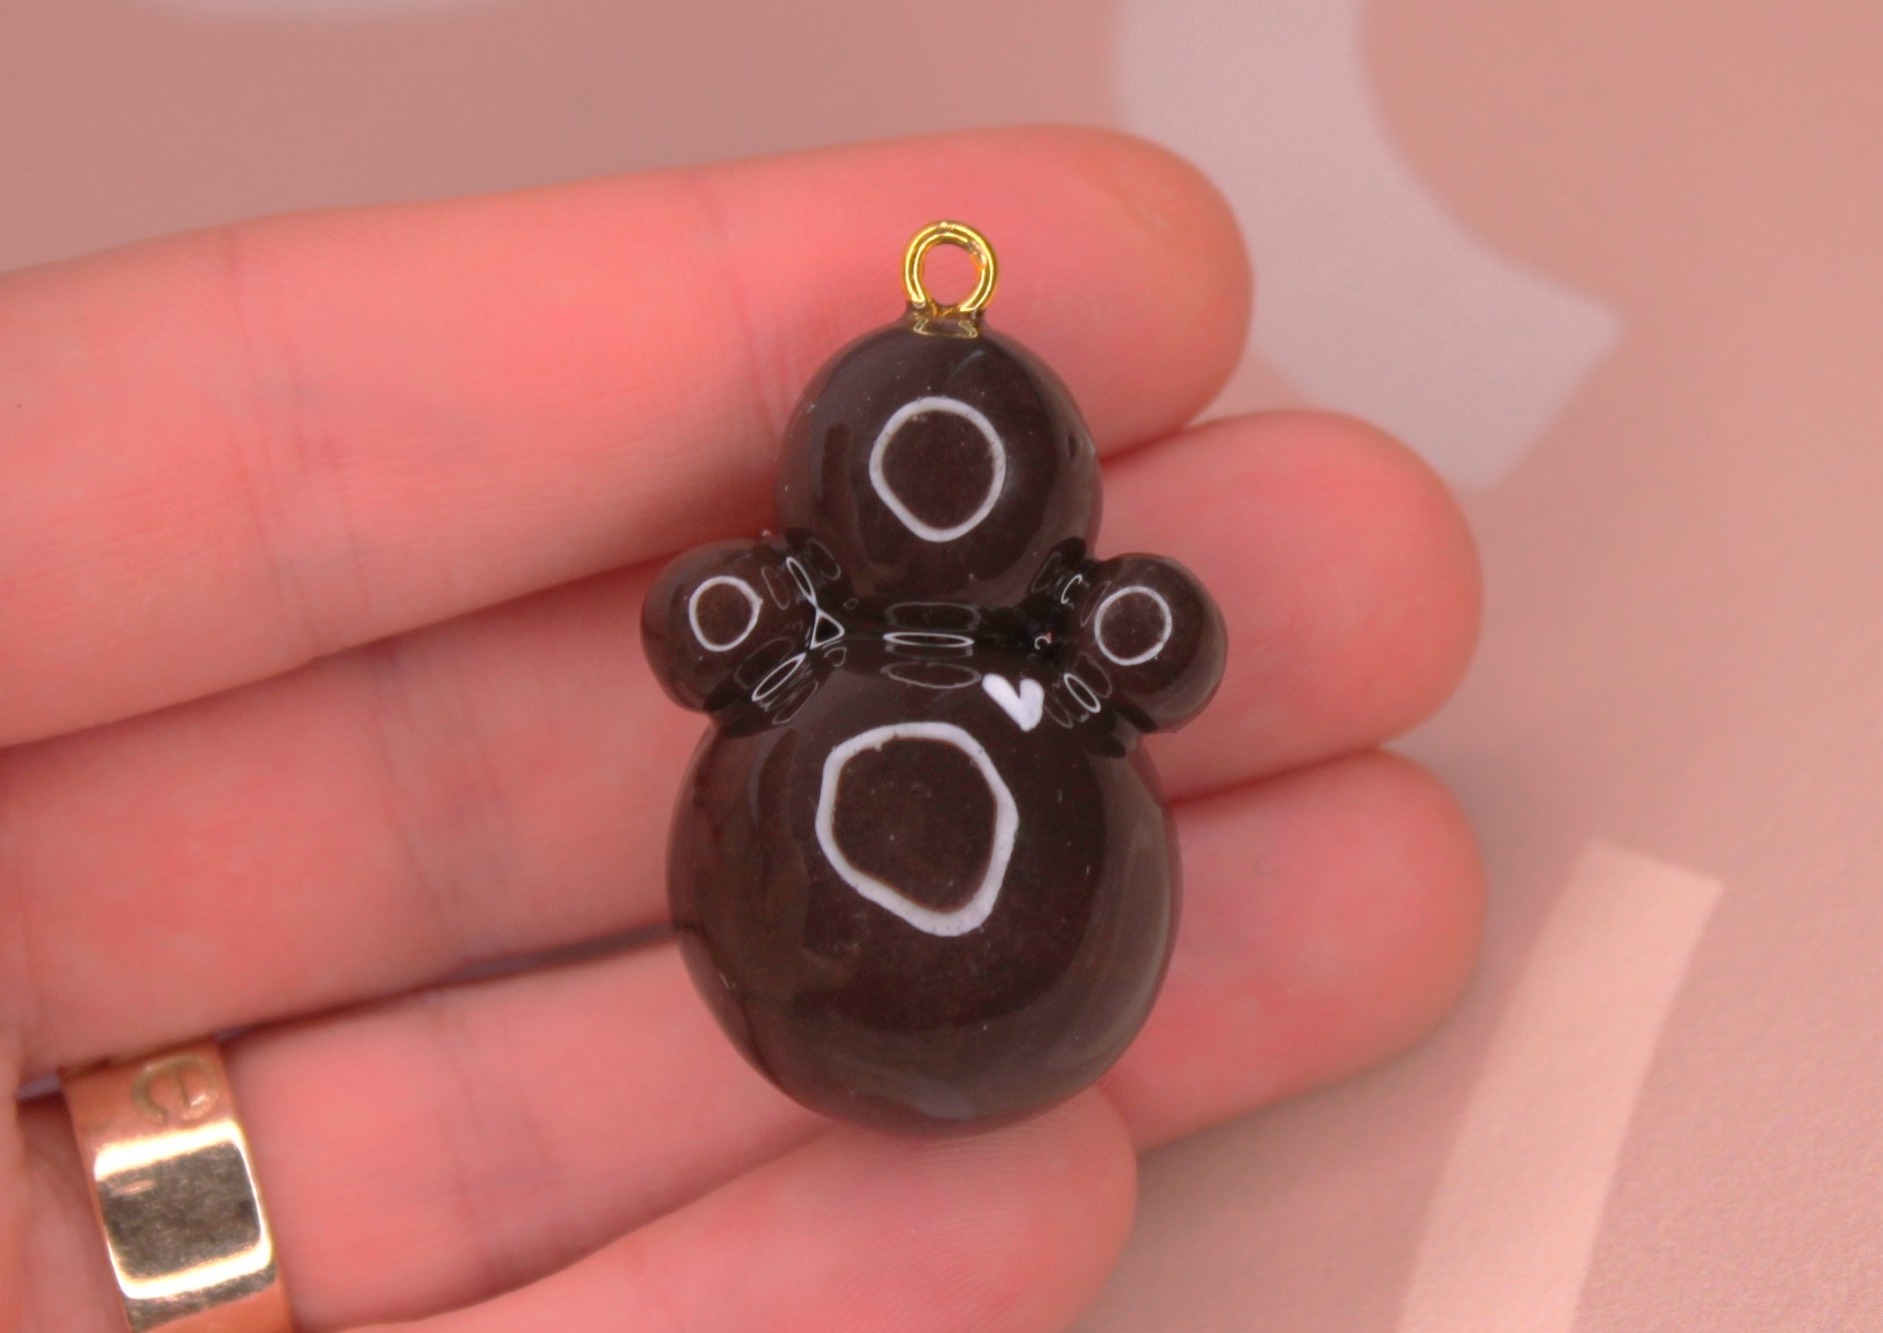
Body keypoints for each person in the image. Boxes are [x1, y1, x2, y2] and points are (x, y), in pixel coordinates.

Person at [0, 127, 1481, 1332]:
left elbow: (1136, 651)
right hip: (885, 893)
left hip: (997, 908)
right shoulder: (827, 658)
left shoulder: (1000, 665)